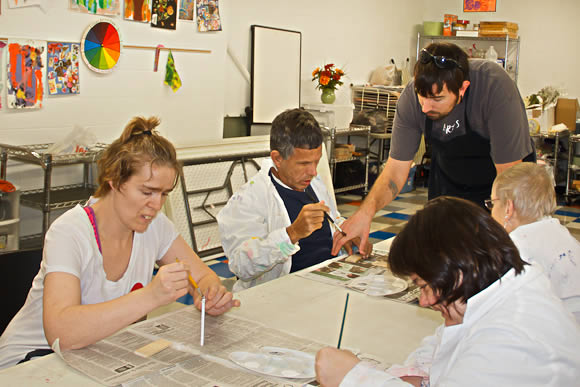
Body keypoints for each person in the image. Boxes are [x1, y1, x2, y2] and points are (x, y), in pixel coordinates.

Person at [0, 117, 240, 370]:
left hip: (92, 356)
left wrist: (211, 293)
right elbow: (62, 334)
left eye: (164, 194)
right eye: (147, 192)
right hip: (30, 362)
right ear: (114, 181)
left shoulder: (155, 226)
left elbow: (202, 276)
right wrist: (152, 296)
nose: (156, 205)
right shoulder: (69, 232)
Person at [316, 196, 580, 387]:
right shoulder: (497, 290)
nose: (425, 300)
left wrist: (354, 377)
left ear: (458, 270)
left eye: (424, 285)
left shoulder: (512, 337)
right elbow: (443, 348)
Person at [332, 42, 534, 256]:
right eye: (422, 97)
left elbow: (509, 179)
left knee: (495, 257)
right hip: (450, 179)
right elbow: (395, 171)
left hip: (503, 182)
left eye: (437, 99)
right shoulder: (411, 98)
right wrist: (365, 213)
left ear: (463, 88)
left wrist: (497, 243)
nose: (426, 107)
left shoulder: (494, 87)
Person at [218, 108, 354, 292]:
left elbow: (334, 220)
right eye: (304, 164)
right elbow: (241, 267)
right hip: (281, 295)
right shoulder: (248, 200)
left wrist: (346, 232)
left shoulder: (314, 183)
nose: (313, 172)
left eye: (316, 161)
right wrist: (291, 234)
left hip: (328, 282)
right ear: (278, 158)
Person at [489, 162, 580, 322]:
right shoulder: (564, 236)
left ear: (508, 208)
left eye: (492, 203)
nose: (491, 212)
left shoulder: (514, 251)